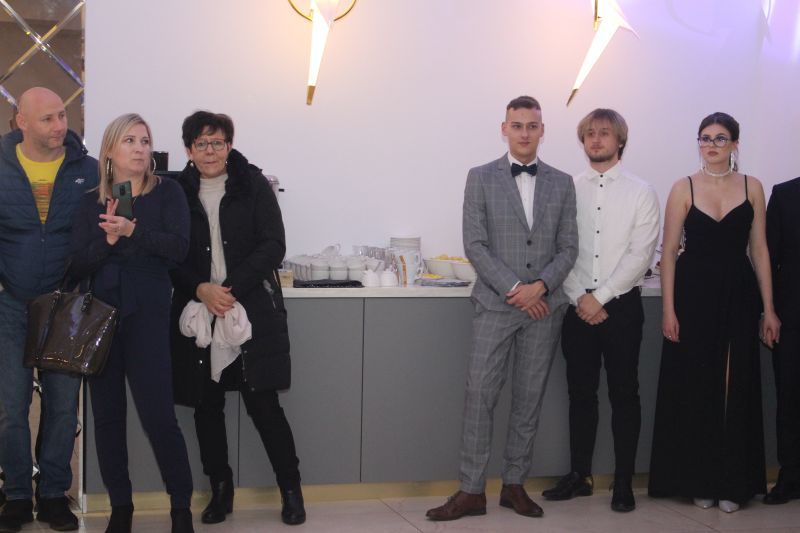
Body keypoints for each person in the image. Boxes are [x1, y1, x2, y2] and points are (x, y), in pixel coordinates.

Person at [426, 96, 578, 521]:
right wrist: (516, 289)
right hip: (496, 304)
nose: (524, 133)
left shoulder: (563, 182)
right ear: (504, 129)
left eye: (532, 125)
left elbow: (569, 247)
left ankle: (514, 485)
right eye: (517, 125)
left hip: (544, 308)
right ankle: (471, 490)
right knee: (480, 395)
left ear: (542, 130)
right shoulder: (479, 177)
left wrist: (540, 287)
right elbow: (474, 243)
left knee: (528, 400)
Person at [169, 111, 305, 526]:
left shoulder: (253, 184)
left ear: (229, 145)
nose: (210, 151)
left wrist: (228, 289)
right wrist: (201, 289)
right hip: (199, 312)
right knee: (206, 408)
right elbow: (169, 254)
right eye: (201, 144)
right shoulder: (175, 192)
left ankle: (291, 490)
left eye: (217, 142)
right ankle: (220, 490)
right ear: (189, 150)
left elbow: (273, 244)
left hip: (248, 309)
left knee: (264, 405)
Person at [69, 113, 194, 533]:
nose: (140, 149)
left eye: (144, 141)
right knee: (107, 418)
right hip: (101, 319)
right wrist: (108, 240)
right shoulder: (90, 201)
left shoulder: (168, 192)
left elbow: (178, 249)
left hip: (148, 317)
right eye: (129, 141)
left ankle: (181, 508)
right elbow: (77, 263)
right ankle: (120, 507)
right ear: (109, 150)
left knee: (159, 416)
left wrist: (131, 231)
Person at [648, 112, 780, 513]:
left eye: (721, 138)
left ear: (735, 144)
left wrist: (769, 309)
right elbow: (669, 253)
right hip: (693, 296)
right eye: (705, 138)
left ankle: (732, 483)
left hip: (739, 294)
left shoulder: (753, 187)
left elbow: (759, 250)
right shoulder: (683, 187)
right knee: (697, 385)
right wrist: (668, 310)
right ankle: (699, 480)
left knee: (733, 384)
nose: (711, 145)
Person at [543, 109, 659, 512]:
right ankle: (580, 475)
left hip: (622, 307)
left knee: (625, 393)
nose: (596, 139)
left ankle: (623, 482)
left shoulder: (641, 192)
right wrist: (581, 297)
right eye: (589, 133)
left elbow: (640, 254)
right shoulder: (568, 189)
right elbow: (560, 248)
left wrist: (601, 296)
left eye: (604, 133)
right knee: (580, 394)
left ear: (619, 140)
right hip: (577, 306)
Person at [0, 87, 98, 533]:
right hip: (10, 305)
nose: (59, 125)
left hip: (66, 305)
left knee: (62, 408)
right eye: (47, 119)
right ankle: (17, 495)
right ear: (21, 121)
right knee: (10, 407)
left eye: (62, 115)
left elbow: (107, 225)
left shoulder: (88, 170)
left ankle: (55, 494)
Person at [764, 176, 800, 504]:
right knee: (789, 400)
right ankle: (790, 477)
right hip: (791, 319)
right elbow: (767, 258)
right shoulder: (784, 194)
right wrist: (768, 311)